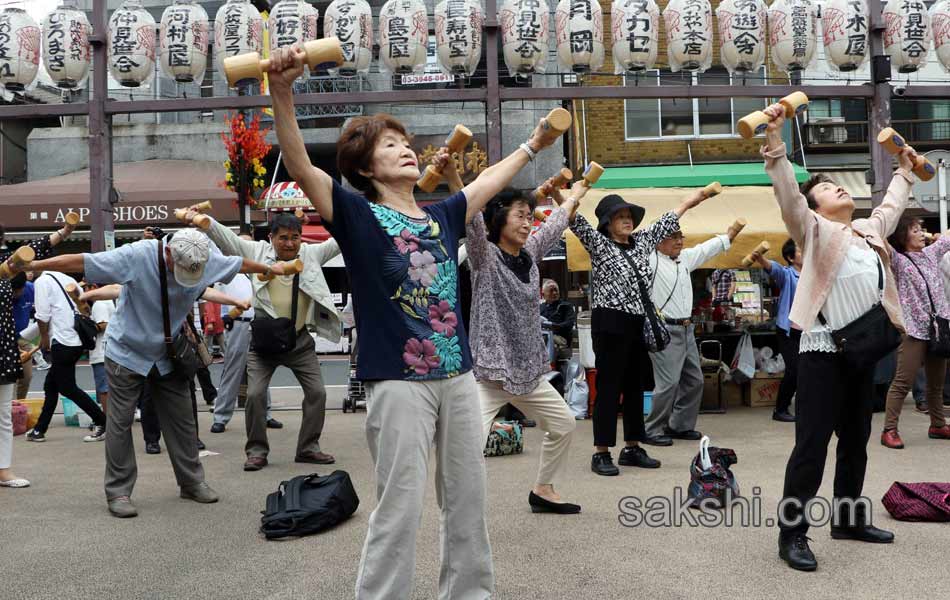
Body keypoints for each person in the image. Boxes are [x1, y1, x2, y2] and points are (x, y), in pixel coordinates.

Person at [266, 43, 562, 599]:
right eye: (390, 145)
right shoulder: (355, 213)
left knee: (468, 501)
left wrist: (532, 144)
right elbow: (302, 165)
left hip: (457, 375)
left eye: (405, 143)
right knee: (399, 504)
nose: (405, 150)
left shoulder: (440, 215)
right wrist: (282, 92)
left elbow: (486, 185)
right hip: (398, 382)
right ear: (363, 166)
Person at [16, 228, 279, 518]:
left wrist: (269, 268)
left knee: (182, 421)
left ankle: (192, 482)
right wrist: (33, 266)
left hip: (169, 354)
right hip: (127, 351)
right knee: (120, 422)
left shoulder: (207, 256)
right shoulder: (136, 255)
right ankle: (118, 491)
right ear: (168, 253)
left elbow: (239, 262)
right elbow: (81, 261)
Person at [762, 103, 916, 571]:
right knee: (811, 444)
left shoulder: (868, 231)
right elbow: (789, 195)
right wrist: (774, 141)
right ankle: (792, 536)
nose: (836, 189)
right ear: (817, 208)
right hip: (823, 353)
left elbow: (890, 208)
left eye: (836, 184)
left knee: (855, 438)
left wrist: (906, 172)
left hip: (863, 349)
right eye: (826, 188)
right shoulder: (812, 230)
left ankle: (848, 518)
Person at [464, 174, 589, 515]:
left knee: (563, 424)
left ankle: (543, 490)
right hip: (490, 375)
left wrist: (576, 194)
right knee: (467, 446)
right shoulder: (483, 255)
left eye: (529, 216)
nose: (526, 222)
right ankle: (461, 510)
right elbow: (471, 211)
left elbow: (557, 223)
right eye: (519, 214)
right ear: (498, 217)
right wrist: (451, 174)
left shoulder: (530, 255)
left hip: (529, 373)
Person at [570, 191, 710, 476]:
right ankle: (601, 452)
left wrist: (694, 199)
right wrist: (567, 194)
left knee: (635, 387)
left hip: (638, 323)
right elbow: (575, 220)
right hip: (609, 322)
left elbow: (666, 221)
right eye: (620, 217)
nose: (626, 220)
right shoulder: (599, 243)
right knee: (609, 388)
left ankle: (632, 446)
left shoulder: (642, 243)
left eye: (629, 216)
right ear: (608, 223)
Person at [196, 210, 340, 472]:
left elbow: (339, 239)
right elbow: (227, 239)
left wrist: (359, 213)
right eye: (283, 237)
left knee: (318, 393)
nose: (289, 243)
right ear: (271, 237)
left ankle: (308, 447)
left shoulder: (311, 254)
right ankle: (257, 451)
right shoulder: (257, 252)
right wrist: (207, 221)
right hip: (263, 341)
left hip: (299, 341)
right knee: (254, 394)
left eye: (295, 237)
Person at [643, 222, 737, 446]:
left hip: (686, 329)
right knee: (668, 383)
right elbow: (645, 238)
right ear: (658, 241)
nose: (679, 241)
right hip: (665, 329)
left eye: (680, 236)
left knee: (694, 380)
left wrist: (729, 236)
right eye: (673, 236)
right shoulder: (650, 260)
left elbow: (705, 249)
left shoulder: (684, 258)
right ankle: (653, 429)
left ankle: (680, 425)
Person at [880, 217, 950, 449]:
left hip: (939, 328)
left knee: (936, 383)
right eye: (915, 230)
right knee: (903, 381)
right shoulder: (898, 260)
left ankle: (937, 424)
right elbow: (878, 239)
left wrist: (941, 237)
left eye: (922, 229)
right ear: (902, 236)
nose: (922, 233)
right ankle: (889, 429)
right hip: (914, 329)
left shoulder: (931, 253)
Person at [27, 270, 108, 443]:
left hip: (62, 341)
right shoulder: (67, 278)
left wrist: (44, 337)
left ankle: (102, 421)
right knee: (51, 385)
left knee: (67, 388)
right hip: (76, 340)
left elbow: (42, 316)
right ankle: (39, 429)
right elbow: (84, 305)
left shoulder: (42, 282)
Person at [211, 265, 282, 433]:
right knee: (232, 370)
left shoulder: (261, 273)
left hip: (260, 323)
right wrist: (224, 317)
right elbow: (217, 294)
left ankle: (266, 414)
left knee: (262, 369)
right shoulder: (229, 272)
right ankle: (221, 416)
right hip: (238, 322)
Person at [749, 238, 802, 422]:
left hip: (810, 331)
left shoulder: (813, 274)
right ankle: (780, 409)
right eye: (799, 250)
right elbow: (774, 268)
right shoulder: (787, 275)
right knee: (794, 370)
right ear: (790, 257)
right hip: (789, 331)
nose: (804, 251)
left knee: (809, 370)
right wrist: (761, 259)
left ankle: (806, 406)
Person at [87, 283, 116, 416]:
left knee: (104, 390)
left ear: (93, 287)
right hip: (111, 350)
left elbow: (103, 323)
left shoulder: (99, 303)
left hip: (101, 351)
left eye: (85, 288)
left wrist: (87, 328)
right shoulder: (110, 300)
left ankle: (108, 421)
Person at [540, 279, 576, 359]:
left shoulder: (565, 306)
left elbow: (569, 324)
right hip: (543, 335)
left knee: (544, 339)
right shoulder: (540, 308)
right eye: (551, 291)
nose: (554, 293)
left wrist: (552, 325)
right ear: (543, 294)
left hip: (560, 338)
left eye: (556, 290)